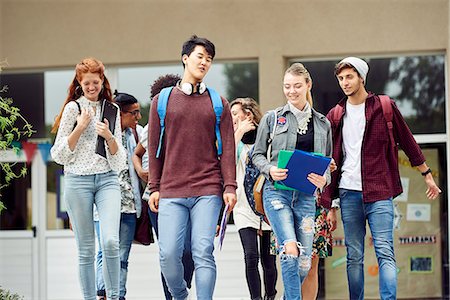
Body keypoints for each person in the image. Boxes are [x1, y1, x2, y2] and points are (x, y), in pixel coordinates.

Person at [322, 56, 442, 300]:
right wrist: (330, 203)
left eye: (349, 77)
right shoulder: (336, 114)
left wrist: (427, 174)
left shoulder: (384, 107)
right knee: (354, 256)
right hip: (347, 192)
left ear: (361, 78)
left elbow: (408, 141)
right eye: (341, 78)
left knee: (385, 252)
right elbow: (327, 158)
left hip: (379, 193)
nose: (344, 83)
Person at [147, 35, 237, 300]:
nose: (205, 62)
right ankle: (180, 295)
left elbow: (229, 149)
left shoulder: (218, 103)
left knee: (202, 251)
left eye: (209, 59)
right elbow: (154, 149)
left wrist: (229, 186)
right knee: (168, 254)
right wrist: (154, 187)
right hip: (171, 191)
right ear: (185, 58)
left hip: (207, 189)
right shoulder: (161, 102)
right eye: (200, 56)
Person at [252, 62, 333, 300]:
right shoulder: (272, 118)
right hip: (277, 193)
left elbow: (327, 163)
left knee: (305, 262)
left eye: (297, 86)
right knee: (289, 250)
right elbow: (256, 155)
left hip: (307, 196)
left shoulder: (323, 123)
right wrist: (270, 169)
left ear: (308, 85)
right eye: (287, 86)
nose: (292, 91)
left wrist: (323, 180)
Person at [51, 57, 125, 300]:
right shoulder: (73, 109)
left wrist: (109, 137)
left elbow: (119, 160)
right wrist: (80, 127)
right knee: (86, 250)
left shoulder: (111, 110)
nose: (92, 87)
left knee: (111, 242)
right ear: (79, 84)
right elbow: (58, 154)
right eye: (86, 84)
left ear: (103, 81)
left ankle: (114, 297)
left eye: (96, 82)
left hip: (107, 180)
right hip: (77, 181)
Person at [132, 74, 195, 300]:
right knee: (169, 253)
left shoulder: (190, 122)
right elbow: (137, 154)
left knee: (188, 251)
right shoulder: (151, 126)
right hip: (157, 199)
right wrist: (140, 171)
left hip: (188, 196)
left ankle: (180, 293)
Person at [95, 91, 143, 300]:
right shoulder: (100, 134)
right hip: (104, 205)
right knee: (104, 251)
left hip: (129, 207)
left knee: (122, 256)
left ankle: (118, 296)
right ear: (120, 114)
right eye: (134, 113)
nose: (138, 117)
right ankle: (102, 294)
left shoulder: (136, 134)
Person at [230, 97, 278, 300]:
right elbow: (225, 164)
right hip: (243, 207)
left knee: (268, 260)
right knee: (251, 256)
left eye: (235, 114)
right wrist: (237, 133)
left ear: (248, 114)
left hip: (266, 205)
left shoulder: (267, 136)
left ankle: (270, 295)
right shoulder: (234, 139)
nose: (231, 118)